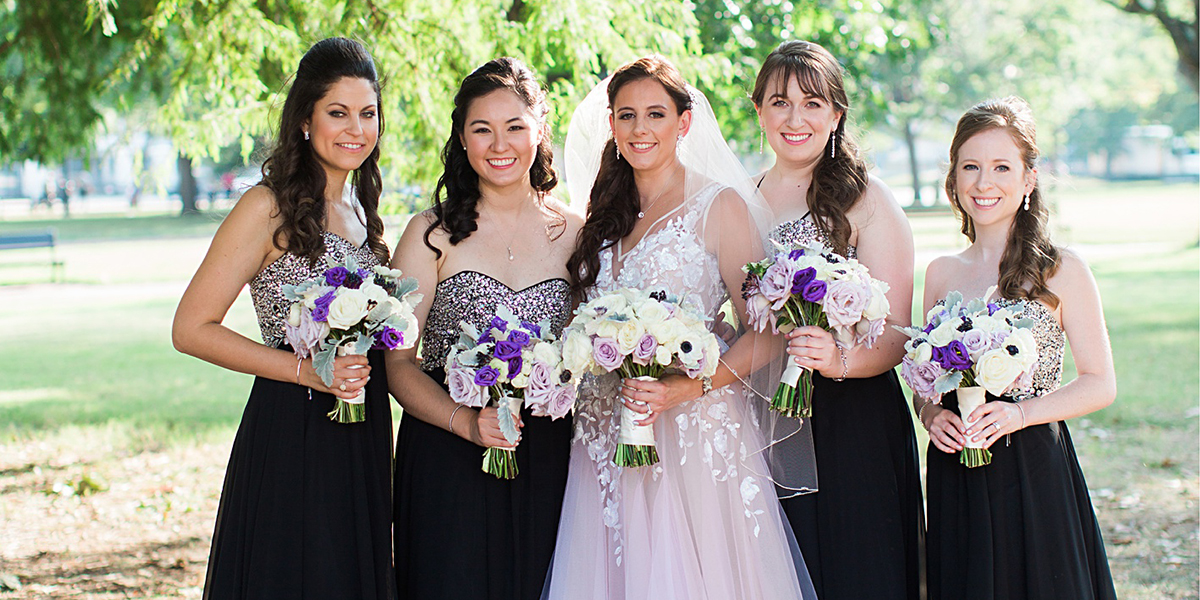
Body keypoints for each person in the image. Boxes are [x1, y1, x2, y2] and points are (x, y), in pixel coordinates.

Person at [543, 55, 817, 600]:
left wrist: (687, 387)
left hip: (695, 428)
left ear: (683, 123)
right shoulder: (599, 212)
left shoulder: (720, 206)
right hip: (605, 431)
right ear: (611, 123)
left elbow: (764, 332)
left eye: (655, 114)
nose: (640, 129)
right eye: (626, 116)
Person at [171, 37, 396, 599]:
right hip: (293, 426)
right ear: (304, 120)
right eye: (337, 113)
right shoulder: (265, 206)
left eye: (367, 114)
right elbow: (191, 328)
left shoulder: (360, 210)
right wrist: (305, 372)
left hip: (360, 430)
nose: (355, 129)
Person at [388, 57, 581, 600]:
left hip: (547, 456)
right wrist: (465, 422)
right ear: (463, 139)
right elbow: (398, 363)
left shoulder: (576, 232)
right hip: (446, 456)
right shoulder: (430, 233)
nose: (501, 144)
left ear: (539, 130)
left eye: (515, 127)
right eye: (482, 129)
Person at [918, 96, 1118, 600]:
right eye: (971, 167)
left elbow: (1100, 383)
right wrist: (930, 416)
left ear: (1029, 179)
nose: (985, 183)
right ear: (954, 179)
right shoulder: (941, 273)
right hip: (956, 466)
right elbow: (928, 382)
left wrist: (1020, 415)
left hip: (1032, 467)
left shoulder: (1061, 270)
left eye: (1002, 167)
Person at [751, 40, 924, 599]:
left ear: (836, 113)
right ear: (759, 110)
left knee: (858, 568)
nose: (795, 118)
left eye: (812, 103)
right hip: (763, 410)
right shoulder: (740, 199)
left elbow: (897, 333)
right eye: (780, 102)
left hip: (855, 415)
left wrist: (837, 359)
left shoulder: (867, 200)